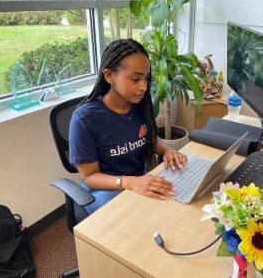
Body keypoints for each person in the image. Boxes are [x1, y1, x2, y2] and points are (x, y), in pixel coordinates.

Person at [69, 39, 187, 214]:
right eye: (135, 79)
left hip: (138, 178)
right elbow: (90, 177)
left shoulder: (139, 104)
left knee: (173, 202)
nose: (144, 87)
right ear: (109, 76)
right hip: (104, 190)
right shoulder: (85, 119)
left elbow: (148, 140)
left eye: (146, 78)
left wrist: (167, 150)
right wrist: (129, 182)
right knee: (141, 217)